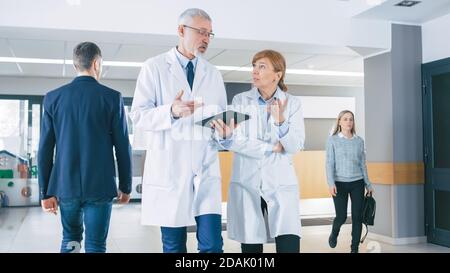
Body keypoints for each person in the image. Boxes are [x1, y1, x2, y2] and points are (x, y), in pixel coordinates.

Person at [130, 8, 227, 253]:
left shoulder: (213, 74)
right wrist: (170, 111)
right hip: (170, 170)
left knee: (213, 246)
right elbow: (138, 116)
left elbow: (221, 122)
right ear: (181, 30)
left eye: (209, 34)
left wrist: (226, 133)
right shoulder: (154, 67)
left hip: (205, 171)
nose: (206, 39)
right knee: (173, 246)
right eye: (201, 32)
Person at [38, 42, 132, 253]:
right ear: (97, 63)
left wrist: (45, 192)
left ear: (75, 65)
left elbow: (44, 149)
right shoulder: (112, 98)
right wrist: (125, 186)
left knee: (70, 239)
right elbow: (123, 146)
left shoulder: (53, 98)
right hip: (100, 186)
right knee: (96, 244)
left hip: (65, 186)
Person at [212, 49, 305, 253]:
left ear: (277, 75)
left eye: (261, 66)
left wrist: (281, 121)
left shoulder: (293, 104)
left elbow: (295, 146)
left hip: (280, 184)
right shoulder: (240, 100)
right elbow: (234, 141)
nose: (254, 71)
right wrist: (270, 146)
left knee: (288, 244)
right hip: (248, 182)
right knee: (251, 249)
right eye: (254, 66)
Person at [325, 110, 373, 253]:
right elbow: (329, 163)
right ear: (339, 122)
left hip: (357, 183)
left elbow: (362, 164)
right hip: (339, 184)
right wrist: (331, 183)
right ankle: (334, 234)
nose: (348, 122)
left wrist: (368, 184)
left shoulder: (359, 141)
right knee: (341, 216)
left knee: (357, 217)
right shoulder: (332, 140)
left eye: (351, 119)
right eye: (345, 119)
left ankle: (354, 248)